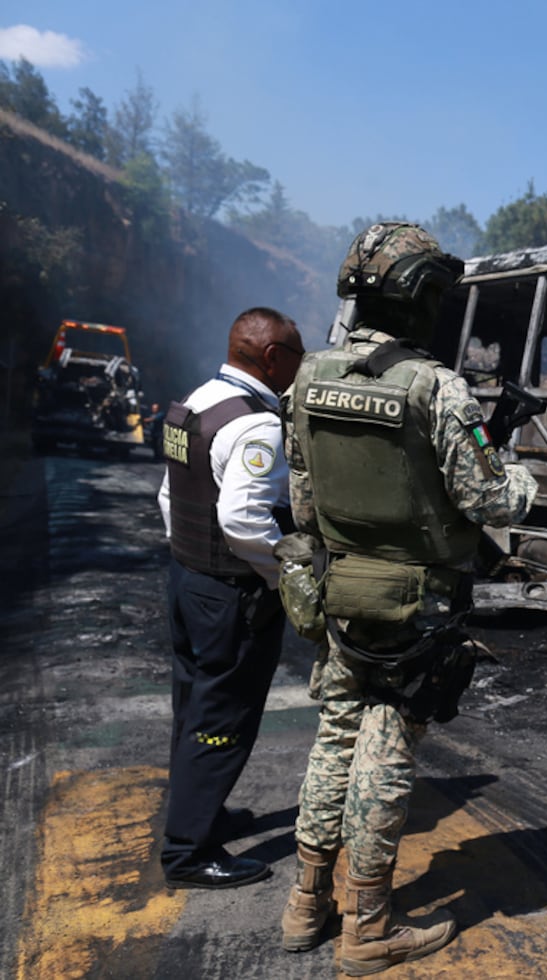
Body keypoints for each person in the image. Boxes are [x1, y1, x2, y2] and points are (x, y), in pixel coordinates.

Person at [280, 222, 538, 975]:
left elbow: (302, 504)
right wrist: (515, 473)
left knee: (333, 737)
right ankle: (367, 926)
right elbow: (492, 499)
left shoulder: (309, 375)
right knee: (385, 750)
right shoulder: (434, 386)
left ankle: (305, 903)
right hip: (415, 607)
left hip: (339, 591)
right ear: (422, 298)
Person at [157, 306, 305, 889]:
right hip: (230, 595)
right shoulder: (257, 426)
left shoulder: (195, 401)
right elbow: (244, 520)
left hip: (188, 580)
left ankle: (198, 813)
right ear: (272, 358)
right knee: (223, 719)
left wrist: (190, 559)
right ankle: (189, 853)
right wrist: (282, 575)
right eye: (296, 354)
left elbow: (171, 496)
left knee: (193, 706)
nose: (300, 365)